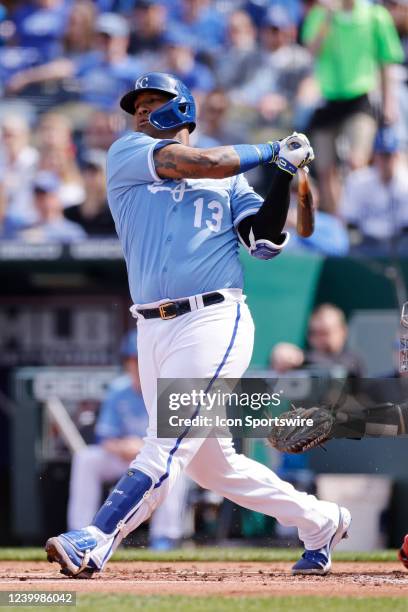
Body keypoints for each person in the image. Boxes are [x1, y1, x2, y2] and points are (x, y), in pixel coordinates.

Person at [45, 71, 350, 578]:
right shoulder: (129, 154)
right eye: (136, 106)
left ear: (183, 107)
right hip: (151, 326)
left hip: (213, 317)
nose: (141, 112)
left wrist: (279, 172)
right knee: (213, 465)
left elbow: (265, 240)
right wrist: (274, 148)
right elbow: (201, 162)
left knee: (164, 442)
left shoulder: (232, 180)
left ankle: (96, 538)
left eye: (153, 102)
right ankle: (321, 519)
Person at [68, 331, 189, 550]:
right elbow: (105, 437)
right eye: (133, 360)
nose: (137, 367)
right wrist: (121, 447)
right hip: (123, 458)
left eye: (141, 360)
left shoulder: (170, 390)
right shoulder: (118, 389)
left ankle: (165, 537)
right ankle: (80, 532)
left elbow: (180, 439)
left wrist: (143, 448)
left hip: (158, 459)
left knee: (177, 468)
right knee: (86, 458)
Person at [302, 0, 404, 213]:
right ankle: (341, 222)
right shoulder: (320, 14)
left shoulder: (375, 16)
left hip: (360, 96)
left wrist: (389, 102)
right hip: (327, 98)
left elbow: (387, 61)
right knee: (324, 168)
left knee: (357, 162)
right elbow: (311, 51)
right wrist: (328, 19)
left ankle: (361, 215)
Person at [339, 125, 408, 256]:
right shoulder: (358, 181)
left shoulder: (405, 183)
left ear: (397, 156)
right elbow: (350, 223)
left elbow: (406, 229)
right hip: (366, 242)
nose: (386, 161)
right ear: (375, 156)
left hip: (399, 243)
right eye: (382, 155)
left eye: (389, 155)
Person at [271, 303, 364, 377]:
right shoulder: (306, 360)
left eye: (325, 333)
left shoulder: (352, 361)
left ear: (343, 331)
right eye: (313, 333)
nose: (318, 339)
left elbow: (337, 370)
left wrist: (301, 358)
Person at [17, 171, 86, 243]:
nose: (43, 202)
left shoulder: (72, 231)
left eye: (47, 196)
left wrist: (44, 236)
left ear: (56, 197)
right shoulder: (26, 230)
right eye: (38, 197)